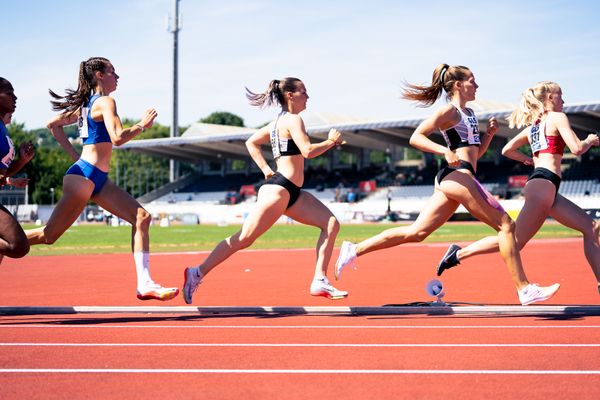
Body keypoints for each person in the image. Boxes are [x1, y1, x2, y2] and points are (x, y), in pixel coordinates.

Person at [334, 64, 560, 305]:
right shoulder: (449, 112)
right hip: (456, 175)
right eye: (473, 81)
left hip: (461, 175)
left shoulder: (470, 114)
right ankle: (524, 288)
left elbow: (474, 155)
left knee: (417, 233)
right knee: (506, 225)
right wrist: (444, 150)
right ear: (458, 85)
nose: (477, 85)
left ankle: (354, 249)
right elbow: (416, 137)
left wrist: (489, 136)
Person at [24, 57, 178, 301]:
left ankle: (145, 283)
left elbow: (53, 124)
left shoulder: (87, 105)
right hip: (84, 176)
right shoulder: (105, 101)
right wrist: (142, 125)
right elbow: (117, 137)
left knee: (141, 218)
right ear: (98, 74)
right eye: (112, 71)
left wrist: (76, 156)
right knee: (48, 235)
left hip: (95, 178)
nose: (117, 77)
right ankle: (7, 242)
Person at [183, 77, 347, 303]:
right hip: (279, 190)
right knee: (244, 238)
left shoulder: (277, 123)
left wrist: (266, 170)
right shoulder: (292, 119)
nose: (308, 96)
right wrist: (331, 142)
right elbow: (308, 151)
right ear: (290, 95)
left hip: (291, 192)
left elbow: (251, 142)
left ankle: (319, 279)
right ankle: (197, 272)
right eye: (304, 91)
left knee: (330, 223)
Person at [436, 81, 600, 293]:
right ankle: (458, 254)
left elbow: (506, 149)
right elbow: (577, 148)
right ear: (550, 98)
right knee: (515, 241)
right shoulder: (558, 118)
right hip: (544, 185)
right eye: (561, 96)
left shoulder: (534, 126)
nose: (564, 101)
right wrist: (589, 140)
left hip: (543, 184)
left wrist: (528, 160)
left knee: (592, 227)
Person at [0, 77, 35, 263]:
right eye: (9, 93)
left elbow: (3, 173)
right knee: (17, 245)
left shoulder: (2, 128)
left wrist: (22, 160)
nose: (15, 97)